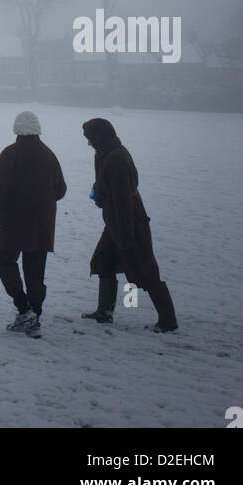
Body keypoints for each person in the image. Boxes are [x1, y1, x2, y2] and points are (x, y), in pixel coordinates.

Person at [0, 110, 66, 339]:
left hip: (14, 222)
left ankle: (24, 308)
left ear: (17, 129)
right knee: (35, 272)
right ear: (37, 129)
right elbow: (60, 190)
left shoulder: (11, 154)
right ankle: (34, 317)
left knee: (5, 261)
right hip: (43, 224)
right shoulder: (49, 154)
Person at [81, 117, 178, 333]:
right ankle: (104, 312)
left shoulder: (116, 158)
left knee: (145, 268)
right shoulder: (105, 153)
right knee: (102, 261)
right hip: (114, 221)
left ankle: (168, 320)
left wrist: (125, 237)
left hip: (129, 222)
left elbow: (123, 200)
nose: (88, 143)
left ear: (100, 136)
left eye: (90, 139)